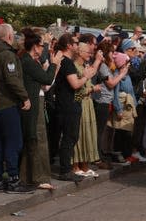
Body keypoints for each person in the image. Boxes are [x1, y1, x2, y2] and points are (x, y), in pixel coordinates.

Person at [0, 23, 35, 193]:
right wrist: (25, 97)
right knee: (14, 142)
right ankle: (13, 180)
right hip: (7, 103)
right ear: (8, 36)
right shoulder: (7, 55)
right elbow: (12, 80)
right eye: (13, 35)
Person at [19, 29, 61, 189]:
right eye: (41, 45)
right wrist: (55, 63)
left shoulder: (29, 60)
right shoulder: (28, 61)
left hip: (35, 102)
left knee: (36, 140)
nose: (43, 49)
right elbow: (47, 78)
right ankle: (36, 177)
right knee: (35, 140)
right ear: (35, 47)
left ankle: (31, 177)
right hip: (31, 106)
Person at [54, 33, 97, 182]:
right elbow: (75, 84)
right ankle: (65, 170)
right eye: (75, 43)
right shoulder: (66, 63)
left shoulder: (66, 61)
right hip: (68, 106)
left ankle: (66, 168)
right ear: (69, 46)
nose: (78, 46)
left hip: (70, 105)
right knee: (69, 137)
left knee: (71, 136)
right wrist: (86, 76)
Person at [92, 40, 127, 169]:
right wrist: (122, 74)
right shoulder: (102, 66)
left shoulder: (107, 66)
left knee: (101, 131)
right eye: (112, 52)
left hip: (106, 101)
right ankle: (96, 157)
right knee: (99, 131)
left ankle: (99, 154)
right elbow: (111, 83)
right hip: (101, 101)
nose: (113, 55)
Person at [71, 42, 102, 177]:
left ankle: (85, 165)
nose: (90, 54)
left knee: (88, 133)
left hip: (88, 103)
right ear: (79, 53)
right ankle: (75, 165)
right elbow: (77, 88)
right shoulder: (74, 66)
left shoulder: (84, 66)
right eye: (87, 52)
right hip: (80, 102)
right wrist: (92, 89)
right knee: (79, 133)